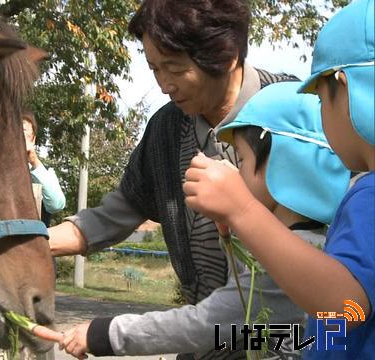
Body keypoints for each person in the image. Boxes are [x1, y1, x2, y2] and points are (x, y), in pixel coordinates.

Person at [48, 0, 296, 358]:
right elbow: (114, 214)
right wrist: (30, 242)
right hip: (203, 342)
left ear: (224, 56)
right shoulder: (166, 130)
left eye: (175, 69)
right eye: (154, 69)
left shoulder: (295, 113)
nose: (164, 84)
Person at [60, 82, 351, 359]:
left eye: (244, 160)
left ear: (278, 165)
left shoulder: (287, 262)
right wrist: (229, 229)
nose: (238, 172)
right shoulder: (320, 244)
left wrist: (106, 334)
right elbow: (265, 331)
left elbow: (206, 325)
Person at [183, 0, 374, 358]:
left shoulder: (369, 197)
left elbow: (345, 305)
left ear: (345, 88)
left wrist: (240, 209)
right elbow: (322, 336)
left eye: (321, 100)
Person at [23, 111, 66, 226]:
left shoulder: (45, 173)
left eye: (23, 131)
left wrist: (34, 161)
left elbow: (56, 205)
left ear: (33, 139)